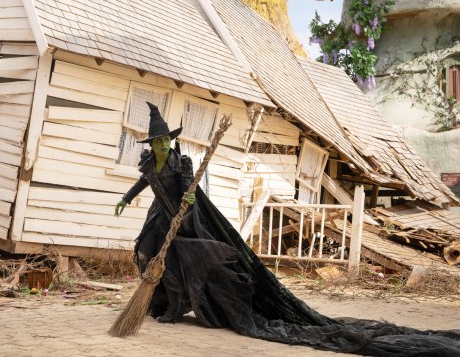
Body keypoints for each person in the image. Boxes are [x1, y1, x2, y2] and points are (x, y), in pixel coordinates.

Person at [114, 102, 460, 356]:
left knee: (178, 263)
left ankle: (172, 309)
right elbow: (143, 183)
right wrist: (126, 199)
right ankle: (156, 302)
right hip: (159, 215)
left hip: (184, 218)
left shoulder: (182, 161)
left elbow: (189, 188)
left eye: (166, 140)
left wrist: (189, 198)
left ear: (170, 141)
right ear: (152, 144)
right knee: (146, 252)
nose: (162, 145)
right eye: (158, 141)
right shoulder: (149, 162)